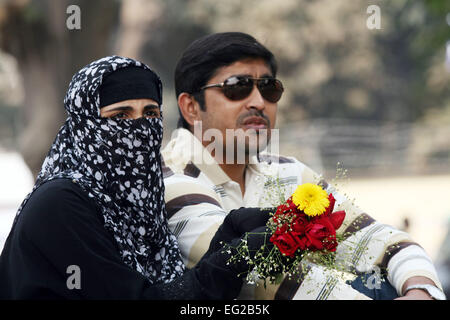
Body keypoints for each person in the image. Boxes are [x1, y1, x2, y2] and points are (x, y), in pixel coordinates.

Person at [162, 32, 446, 300]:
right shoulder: (169, 180)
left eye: (269, 87)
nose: (259, 102)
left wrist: (421, 289)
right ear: (190, 107)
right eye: (238, 87)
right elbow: (258, 275)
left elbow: (374, 239)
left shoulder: (289, 173)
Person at [0, 55, 273, 299]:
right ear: (87, 127)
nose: (140, 127)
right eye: (120, 115)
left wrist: (231, 230)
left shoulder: (136, 199)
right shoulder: (61, 202)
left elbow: (171, 286)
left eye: (151, 113)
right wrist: (236, 256)